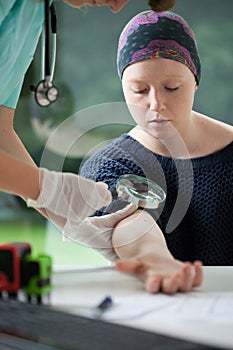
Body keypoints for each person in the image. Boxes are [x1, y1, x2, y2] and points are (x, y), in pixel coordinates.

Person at [79, 10, 233, 294]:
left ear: (196, 81)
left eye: (172, 88)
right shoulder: (108, 165)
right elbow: (126, 218)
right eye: (139, 90)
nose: (155, 104)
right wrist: (154, 258)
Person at [1, 1, 176, 240]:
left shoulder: (34, 10)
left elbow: (0, 132)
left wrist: (69, 219)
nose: (116, 7)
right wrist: (45, 188)